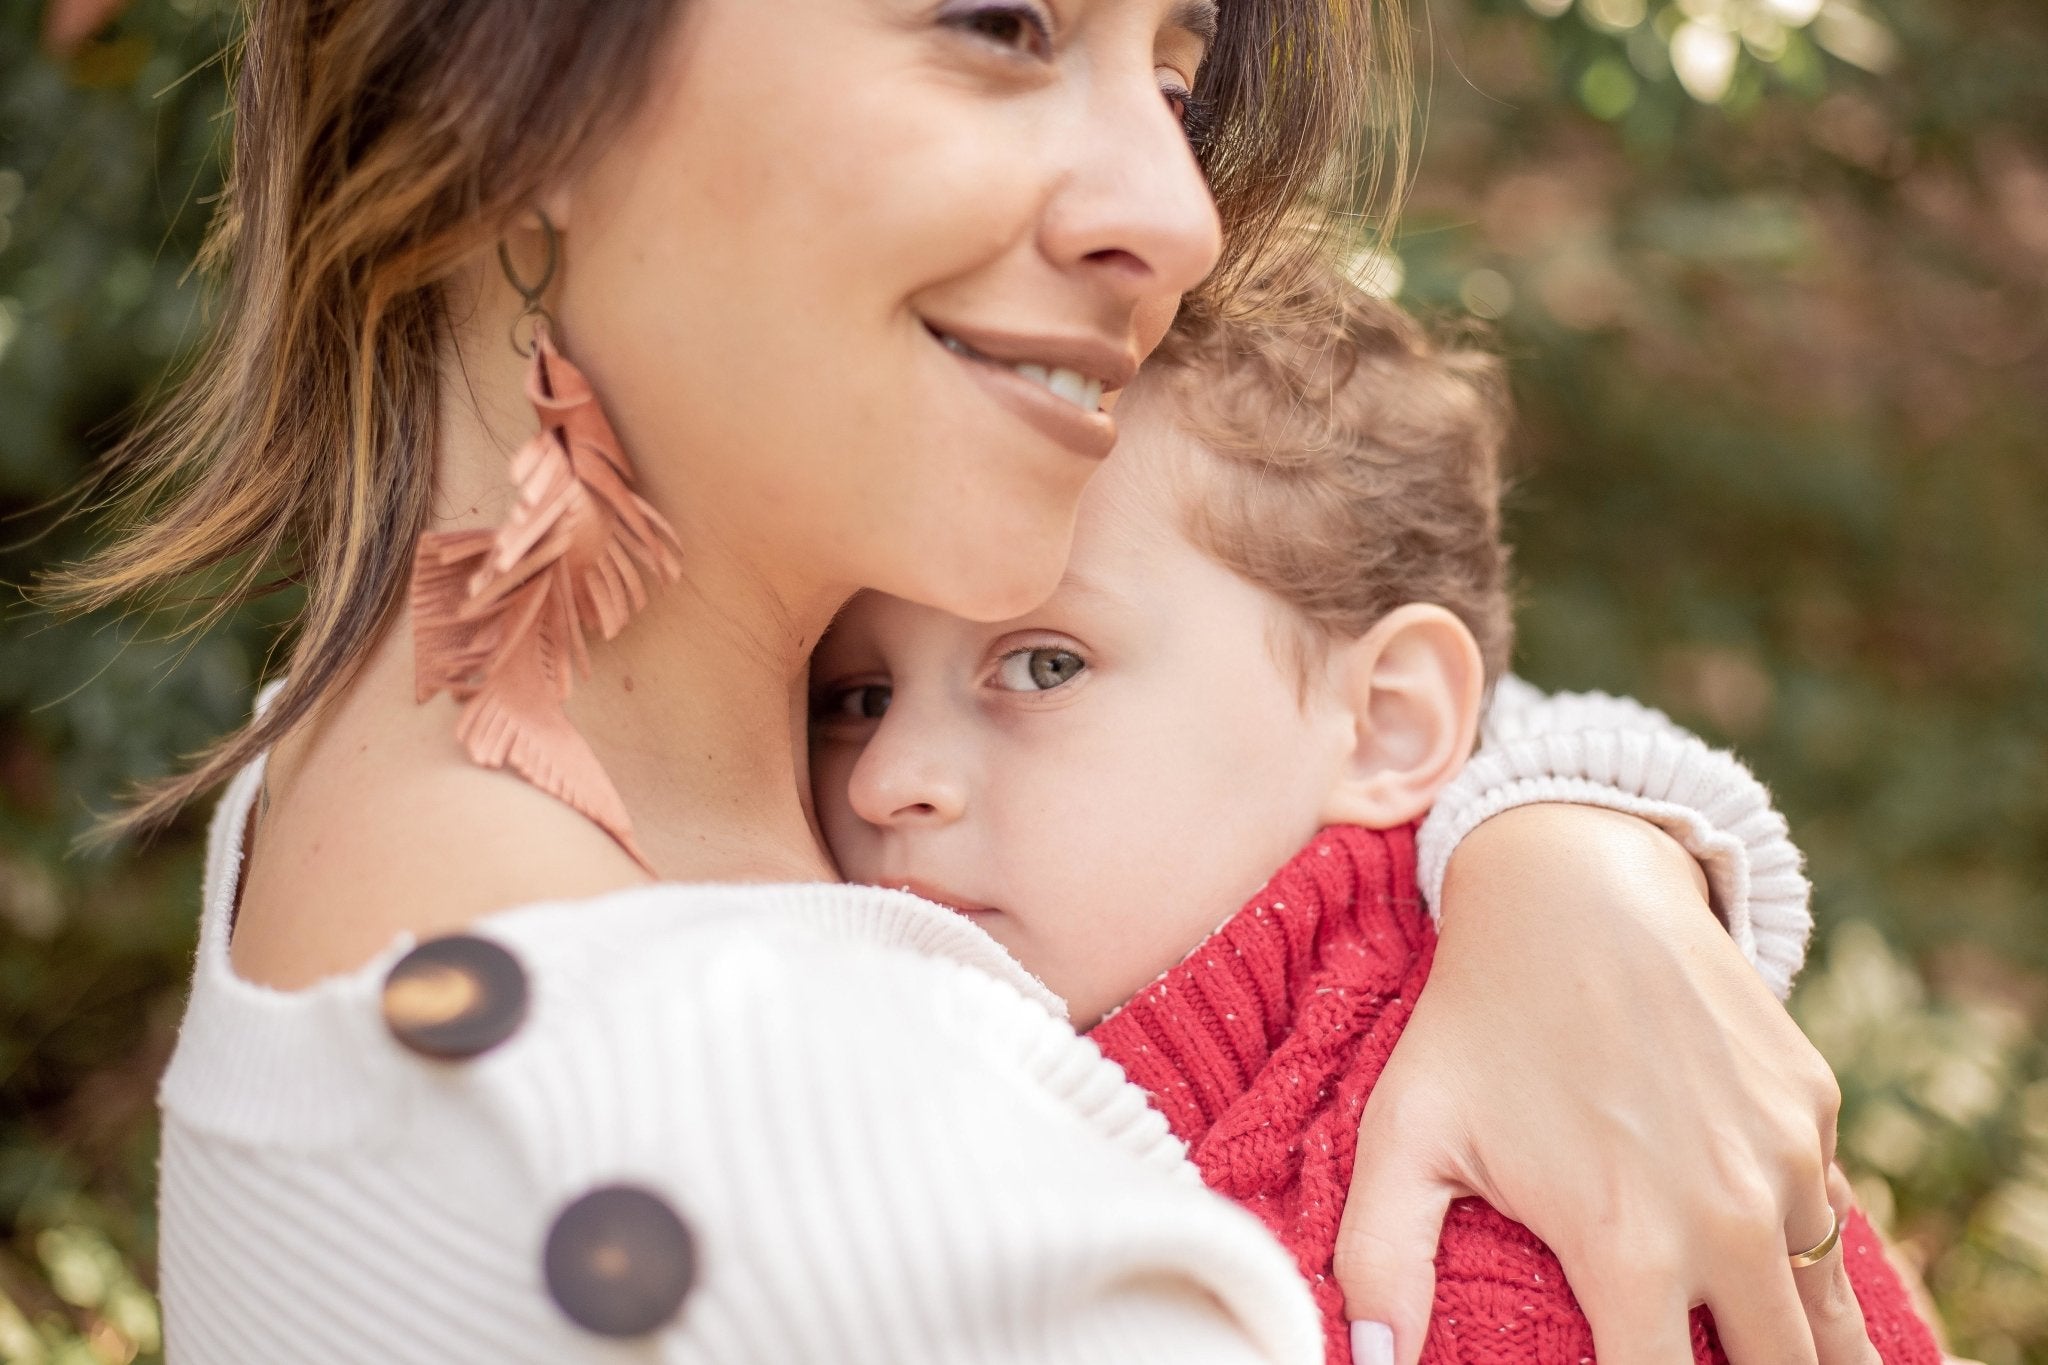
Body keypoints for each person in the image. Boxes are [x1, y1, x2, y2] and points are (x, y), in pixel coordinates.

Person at [43, 0, 1874, 1359]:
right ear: (494, 83)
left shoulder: (480, 792)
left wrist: (1565, 859)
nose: (1176, 211)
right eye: (999, 22)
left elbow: (1317, 704)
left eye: (1171, 77)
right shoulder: (841, 1226)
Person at [809, 270, 1943, 1364]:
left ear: (1384, 726)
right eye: (854, 698)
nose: (886, 778)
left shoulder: (1497, 1217)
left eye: (1044, 665)